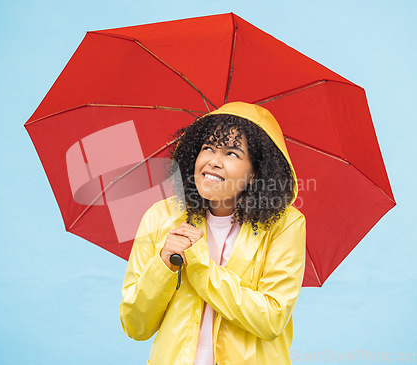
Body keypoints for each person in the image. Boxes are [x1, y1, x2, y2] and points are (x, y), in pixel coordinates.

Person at [120, 102, 306, 365]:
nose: (213, 162)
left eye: (232, 153)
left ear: (255, 172)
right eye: (207, 147)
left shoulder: (285, 224)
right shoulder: (161, 216)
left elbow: (271, 319)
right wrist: (163, 266)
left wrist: (200, 265)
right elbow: (135, 325)